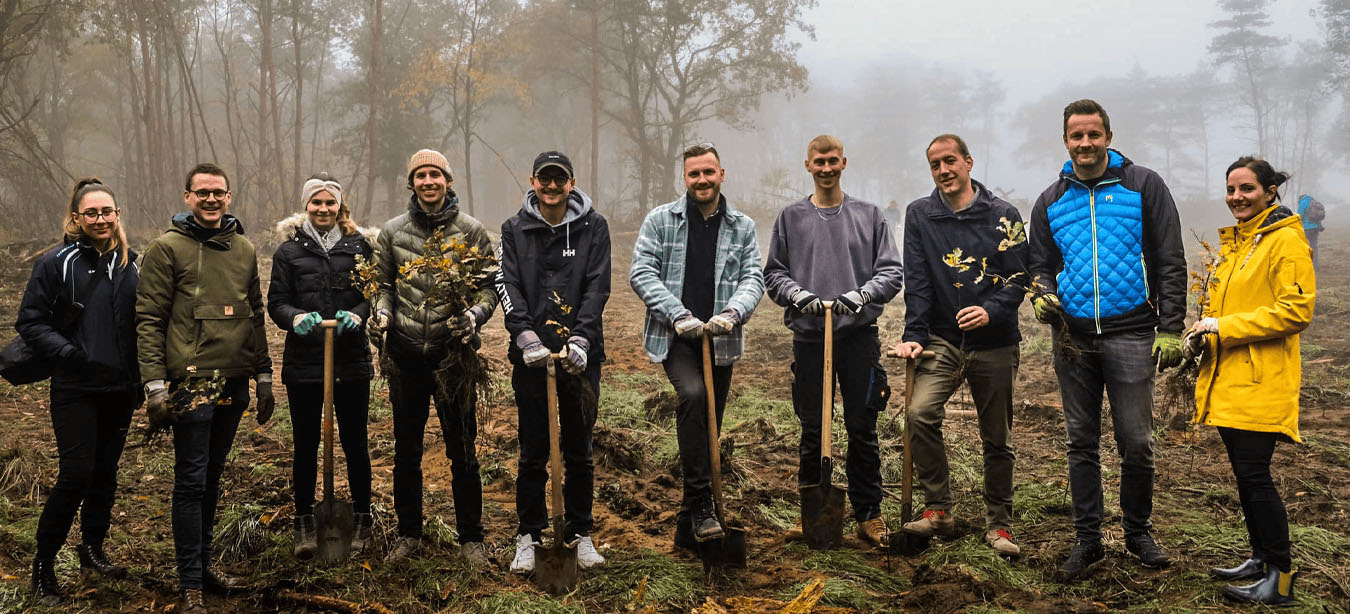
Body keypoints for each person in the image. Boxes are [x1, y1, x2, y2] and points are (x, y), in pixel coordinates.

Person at [1027, 99, 1186, 579]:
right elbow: (1039, 265)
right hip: (1073, 340)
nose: (1085, 143)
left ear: (1109, 137)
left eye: (1093, 134)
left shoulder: (1143, 185)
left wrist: (1171, 327)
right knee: (1081, 442)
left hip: (1133, 333)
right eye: (1076, 135)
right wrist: (1041, 295)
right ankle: (1088, 540)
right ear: (1065, 141)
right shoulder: (1051, 199)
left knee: (1136, 442)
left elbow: (1169, 257)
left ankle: (1138, 534)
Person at [137, 163, 274, 613]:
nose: (211, 200)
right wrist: (156, 385)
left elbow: (255, 314)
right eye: (203, 193)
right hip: (190, 383)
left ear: (229, 197)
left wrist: (263, 375)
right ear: (187, 197)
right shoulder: (166, 249)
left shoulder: (244, 248)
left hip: (233, 381)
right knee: (191, 482)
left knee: (213, 476)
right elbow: (150, 320)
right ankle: (189, 581)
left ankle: (205, 565)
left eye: (219, 193)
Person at [764, 134, 904, 547]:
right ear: (807, 165)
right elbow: (774, 273)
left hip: (858, 337)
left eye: (832, 161)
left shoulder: (869, 214)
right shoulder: (790, 217)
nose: (826, 168)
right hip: (809, 338)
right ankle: (813, 513)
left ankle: (869, 514)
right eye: (818, 162)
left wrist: (861, 295)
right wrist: (797, 295)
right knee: (812, 427)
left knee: (862, 426)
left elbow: (892, 272)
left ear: (844, 162)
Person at [1187, 157, 1314, 605]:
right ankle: (1261, 557)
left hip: (1262, 380)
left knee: (1256, 476)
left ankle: (1280, 578)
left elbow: (1296, 311)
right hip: (1231, 378)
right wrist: (1204, 330)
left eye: (1247, 189)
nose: (1236, 198)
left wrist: (1223, 326)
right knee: (1246, 476)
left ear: (1269, 191)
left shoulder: (1285, 242)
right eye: (1231, 189)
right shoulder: (1241, 242)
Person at [891, 135, 1026, 557]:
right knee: (919, 413)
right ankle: (938, 510)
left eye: (950, 161)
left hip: (995, 342)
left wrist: (991, 310)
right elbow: (918, 280)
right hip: (943, 339)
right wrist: (914, 335)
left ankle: (1000, 526)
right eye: (935, 164)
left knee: (997, 437)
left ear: (968, 162)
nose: (943, 170)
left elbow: (1021, 278)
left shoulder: (1004, 215)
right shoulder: (920, 215)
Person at [629, 143, 764, 552]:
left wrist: (733, 313)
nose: (701, 180)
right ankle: (704, 504)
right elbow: (641, 272)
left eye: (708, 172)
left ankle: (688, 532)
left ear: (721, 174)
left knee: (711, 424)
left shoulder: (742, 226)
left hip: (720, 339)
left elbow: (753, 277)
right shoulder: (661, 221)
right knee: (693, 395)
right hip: (676, 336)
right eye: (693, 174)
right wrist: (677, 314)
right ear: (684, 178)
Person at [369, 149, 497, 566]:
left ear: (448, 181)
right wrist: (383, 313)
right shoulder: (391, 232)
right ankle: (408, 535)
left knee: (462, 449)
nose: (428, 182)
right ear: (412, 183)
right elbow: (381, 284)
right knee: (406, 450)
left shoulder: (472, 231)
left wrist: (474, 316)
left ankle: (471, 540)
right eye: (421, 175)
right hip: (406, 356)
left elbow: (489, 287)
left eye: (435, 175)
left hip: (452, 357)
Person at [18, 179, 140, 604]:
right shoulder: (56, 262)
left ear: (118, 214)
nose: (101, 219)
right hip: (76, 388)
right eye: (92, 213)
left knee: (105, 472)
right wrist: (69, 354)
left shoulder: (132, 263)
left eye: (107, 212)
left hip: (121, 388)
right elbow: (30, 322)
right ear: (76, 218)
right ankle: (43, 567)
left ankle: (92, 548)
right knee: (76, 474)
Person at [497, 151, 611, 573]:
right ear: (532, 182)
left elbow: (598, 286)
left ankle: (580, 533)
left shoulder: (594, 227)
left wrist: (581, 339)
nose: (550, 186)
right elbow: (507, 284)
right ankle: (529, 535)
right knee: (532, 450)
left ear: (571, 183)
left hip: (581, 358)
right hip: (531, 359)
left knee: (579, 449)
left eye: (558, 179)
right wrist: (525, 337)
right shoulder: (514, 229)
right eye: (544, 179)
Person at [267, 174, 374, 558]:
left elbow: (372, 295)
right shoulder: (289, 252)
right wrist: (295, 317)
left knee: (355, 442)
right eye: (317, 203)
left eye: (330, 203)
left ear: (340, 205)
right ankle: (302, 521)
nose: (323, 209)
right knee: (306, 443)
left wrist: (359, 314)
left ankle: (362, 515)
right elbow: (276, 301)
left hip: (350, 360)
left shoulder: (359, 247)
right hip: (305, 363)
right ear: (306, 206)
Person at [1295, 194, 1325, 266]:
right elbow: (1318, 218)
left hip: (1306, 229)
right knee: (1314, 246)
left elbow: (1299, 216)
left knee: (1302, 246)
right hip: (1315, 228)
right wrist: (1320, 226)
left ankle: (1303, 263)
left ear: (1300, 198)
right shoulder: (1314, 202)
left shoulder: (1303, 202)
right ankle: (1315, 265)